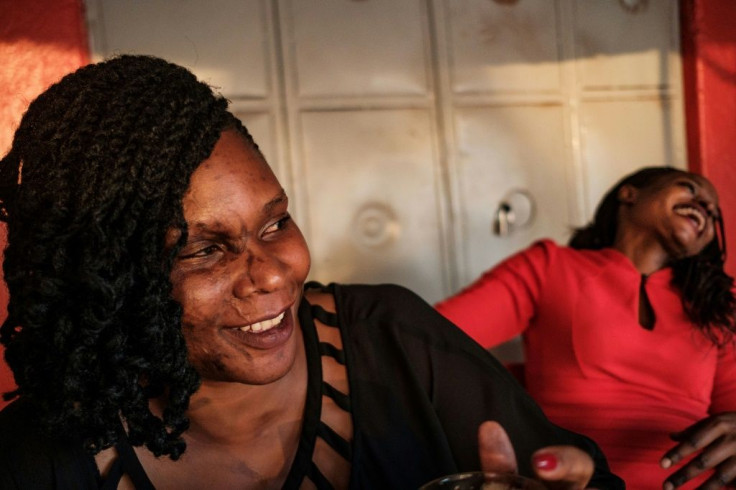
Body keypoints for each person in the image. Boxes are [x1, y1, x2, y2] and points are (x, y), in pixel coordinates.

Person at [0, 55, 622, 489]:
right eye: (205, 250)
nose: (272, 275)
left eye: (275, 224)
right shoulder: (34, 461)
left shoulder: (391, 339)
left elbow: (580, 476)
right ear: (105, 277)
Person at [436, 166, 736, 489]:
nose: (705, 206)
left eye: (712, 211)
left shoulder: (719, 310)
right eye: (691, 189)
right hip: (575, 478)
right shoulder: (550, 267)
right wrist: (504, 398)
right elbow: (429, 339)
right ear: (629, 194)